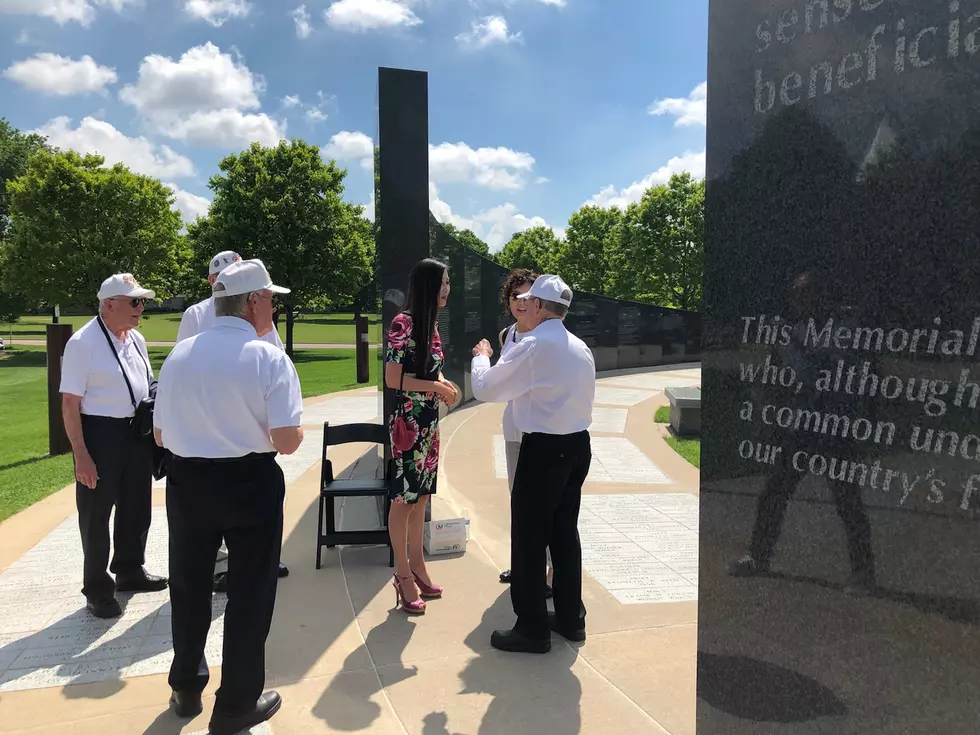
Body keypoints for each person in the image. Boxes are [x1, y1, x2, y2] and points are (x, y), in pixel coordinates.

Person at [153, 259, 303, 734]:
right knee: (250, 593)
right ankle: (236, 702)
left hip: (188, 483)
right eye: (271, 299)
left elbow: (159, 433)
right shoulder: (268, 357)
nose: (274, 308)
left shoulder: (179, 355)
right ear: (254, 301)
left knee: (190, 586)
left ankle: (186, 685)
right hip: (249, 482)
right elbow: (287, 439)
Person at [471, 275, 595, 654]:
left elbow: (487, 388)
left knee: (528, 538)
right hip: (577, 445)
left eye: (529, 301)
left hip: (544, 450)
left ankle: (532, 627)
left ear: (540, 306)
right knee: (563, 535)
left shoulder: (534, 345)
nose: (524, 306)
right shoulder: (579, 346)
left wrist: (481, 359)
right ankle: (571, 618)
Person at [177, 249, 289, 587]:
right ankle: (219, 567)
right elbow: (187, 365)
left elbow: (275, 354)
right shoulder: (196, 315)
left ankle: (252, 561)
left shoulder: (261, 320)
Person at [60, 273, 168, 619]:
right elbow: (69, 404)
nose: (141, 308)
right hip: (100, 436)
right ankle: (96, 588)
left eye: (142, 301)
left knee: (137, 507)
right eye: (134, 301)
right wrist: (81, 455)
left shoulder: (135, 338)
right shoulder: (83, 343)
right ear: (109, 304)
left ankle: (130, 571)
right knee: (96, 516)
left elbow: (147, 382)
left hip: (135, 434)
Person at [384, 258, 458, 615]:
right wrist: (434, 385)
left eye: (448, 283)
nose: (447, 289)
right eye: (442, 283)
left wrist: (445, 386)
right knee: (404, 500)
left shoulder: (432, 326)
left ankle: (417, 564)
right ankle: (402, 573)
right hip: (408, 426)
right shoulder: (404, 323)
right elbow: (392, 378)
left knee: (422, 498)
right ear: (428, 285)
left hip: (429, 423)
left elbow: (431, 372)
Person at [495, 270, 553, 597]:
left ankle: (547, 572)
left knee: (544, 504)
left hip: (541, 430)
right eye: (515, 296)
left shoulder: (546, 336)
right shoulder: (507, 336)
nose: (521, 302)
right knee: (518, 501)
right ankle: (522, 565)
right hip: (514, 428)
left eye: (527, 296)